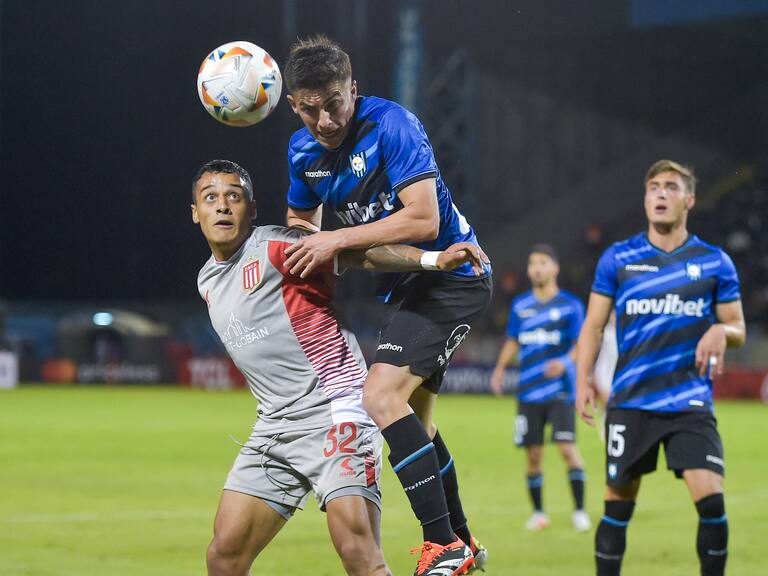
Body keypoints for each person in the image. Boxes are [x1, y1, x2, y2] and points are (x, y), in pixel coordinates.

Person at [191, 159, 481, 576]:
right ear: (195, 212)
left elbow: (359, 254)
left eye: (234, 197)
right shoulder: (207, 280)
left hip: (336, 414)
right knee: (224, 556)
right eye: (211, 198)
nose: (222, 207)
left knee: (358, 554)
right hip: (274, 426)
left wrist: (430, 261)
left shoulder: (279, 248)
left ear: (251, 209)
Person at [281, 35, 492, 576]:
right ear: (292, 104)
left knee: (379, 396)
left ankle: (441, 546)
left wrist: (337, 242)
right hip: (414, 280)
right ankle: (463, 540)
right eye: (309, 108)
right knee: (415, 424)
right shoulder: (301, 154)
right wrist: (318, 243)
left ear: (353, 88)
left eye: (334, 102)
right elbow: (303, 230)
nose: (324, 119)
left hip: (455, 273)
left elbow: (422, 221)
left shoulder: (391, 124)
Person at [575, 160, 746, 576]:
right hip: (631, 401)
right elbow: (594, 326)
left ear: (689, 200)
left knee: (712, 503)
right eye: (654, 187)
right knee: (617, 507)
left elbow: (738, 326)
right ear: (646, 198)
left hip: (689, 402)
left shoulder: (714, 262)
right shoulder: (620, 258)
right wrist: (582, 381)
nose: (661, 194)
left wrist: (722, 331)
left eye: (671, 187)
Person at [490, 244, 591, 532]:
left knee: (567, 449)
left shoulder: (570, 305)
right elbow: (513, 340)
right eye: (533, 263)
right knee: (533, 455)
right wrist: (499, 369)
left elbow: (580, 343)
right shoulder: (521, 306)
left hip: (560, 391)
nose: (537, 268)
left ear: (555, 268)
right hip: (528, 392)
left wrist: (565, 362)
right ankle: (538, 513)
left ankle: (580, 511)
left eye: (543, 263)